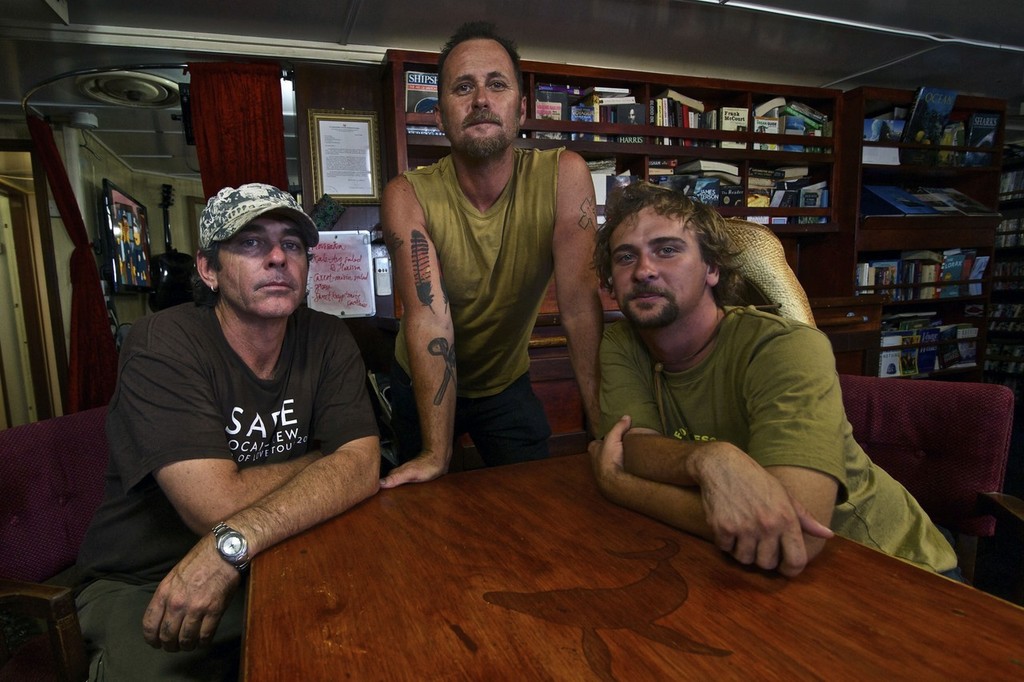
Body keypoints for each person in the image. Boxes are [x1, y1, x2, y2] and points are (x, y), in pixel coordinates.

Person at [74, 183, 381, 680]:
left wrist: (235, 540)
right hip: (149, 578)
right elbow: (214, 506)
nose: (279, 257)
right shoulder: (162, 344)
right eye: (252, 243)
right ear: (208, 269)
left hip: (270, 553)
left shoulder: (327, 337)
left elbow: (364, 465)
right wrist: (325, 464)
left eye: (294, 244)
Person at [589, 181, 959, 578]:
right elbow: (634, 445)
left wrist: (619, 485)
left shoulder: (785, 347)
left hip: (895, 566)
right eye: (625, 257)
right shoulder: (621, 341)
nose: (644, 270)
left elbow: (793, 533)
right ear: (611, 280)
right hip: (755, 571)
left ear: (712, 268)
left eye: (667, 250)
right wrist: (708, 459)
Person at [379, 21, 604, 488]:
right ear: (439, 114)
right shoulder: (408, 193)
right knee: (420, 506)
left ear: (520, 109)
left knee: (534, 499)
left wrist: (602, 431)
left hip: (505, 381)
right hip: (421, 376)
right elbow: (427, 318)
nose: (481, 98)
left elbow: (580, 306)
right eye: (463, 87)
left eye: (496, 84)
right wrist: (436, 454)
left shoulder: (565, 175)